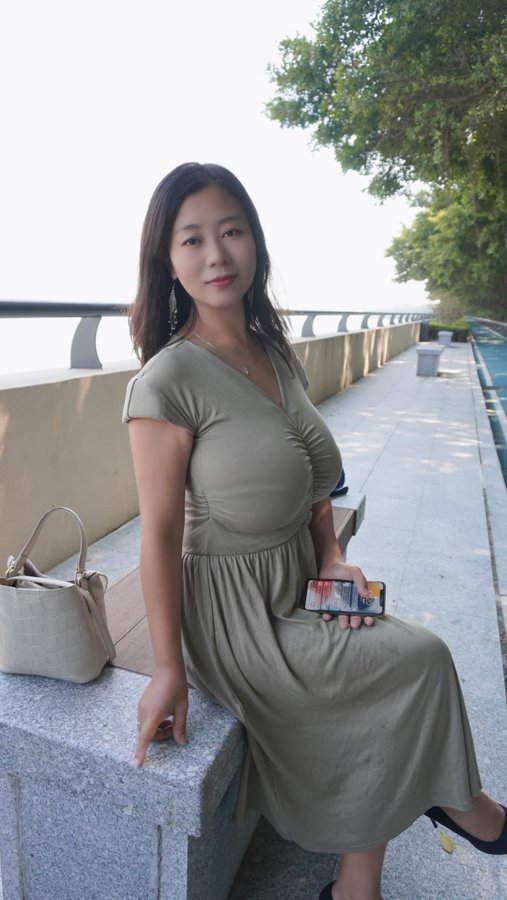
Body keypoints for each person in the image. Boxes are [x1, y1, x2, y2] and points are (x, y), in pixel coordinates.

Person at [123, 162, 506, 900]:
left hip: (301, 578)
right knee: (415, 658)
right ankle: (466, 807)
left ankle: (357, 886)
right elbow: (159, 533)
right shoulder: (166, 383)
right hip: (234, 611)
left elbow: (315, 481)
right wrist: (168, 668)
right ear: (167, 261)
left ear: (255, 242)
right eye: (192, 239)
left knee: (399, 656)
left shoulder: (273, 352)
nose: (216, 255)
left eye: (231, 231)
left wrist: (331, 557)